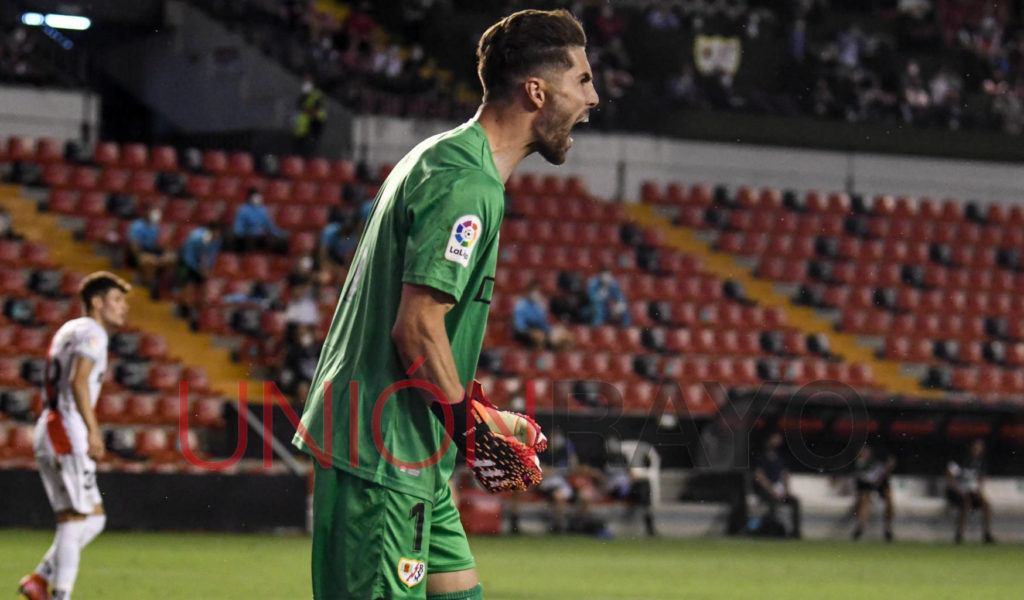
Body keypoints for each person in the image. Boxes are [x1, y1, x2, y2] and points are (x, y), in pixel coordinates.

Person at [293, 9, 597, 599]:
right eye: (582, 80)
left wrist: (476, 415)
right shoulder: (466, 184)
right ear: (536, 91)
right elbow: (416, 327)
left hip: (410, 446)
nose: (593, 97)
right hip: (382, 453)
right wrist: (471, 432)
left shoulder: (443, 156)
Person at [18, 272, 130, 600]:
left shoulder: (70, 329)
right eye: (116, 300)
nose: (123, 307)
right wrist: (94, 431)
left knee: (93, 519)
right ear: (96, 302)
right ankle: (60, 595)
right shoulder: (94, 332)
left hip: (55, 425)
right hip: (66, 430)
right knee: (73, 519)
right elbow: (78, 381)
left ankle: (39, 579)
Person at [751, 432, 801, 538]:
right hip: (766, 491)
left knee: (794, 502)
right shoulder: (761, 457)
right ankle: (772, 531)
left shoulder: (781, 457)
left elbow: (785, 475)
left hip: (779, 490)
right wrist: (772, 491)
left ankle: (795, 532)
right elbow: (760, 476)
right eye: (774, 438)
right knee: (772, 502)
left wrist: (786, 490)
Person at [946, 439, 996, 544]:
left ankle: (987, 534)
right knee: (966, 503)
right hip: (956, 491)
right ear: (970, 447)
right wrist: (959, 490)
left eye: (980, 448)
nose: (978, 450)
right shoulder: (960, 459)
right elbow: (950, 478)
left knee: (986, 505)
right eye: (976, 447)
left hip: (971, 491)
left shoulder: (981, 463)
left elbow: (980, 481)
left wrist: (979, 492)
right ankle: (959, 534)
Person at [176, 224, 223, 330]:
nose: (216, 237)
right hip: (186, 262)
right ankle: (184, 309)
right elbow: (188, 257)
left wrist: (208, 269)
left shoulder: (217, 241)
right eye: (214, 235)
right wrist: (199, 269)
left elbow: (212, 255)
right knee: (188, 286)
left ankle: (199, 315)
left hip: (200, 264)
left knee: (203, 288)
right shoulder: (195, 238)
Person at [126, 207, 176, 299]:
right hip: (137, 254)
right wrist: (144, 256)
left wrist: (165, 253)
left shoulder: (155, 226)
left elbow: (157, 245)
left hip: (152, 251)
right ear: (146, 213)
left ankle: (165, 289)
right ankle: (148, 290)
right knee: (150, 262)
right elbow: (135, 248)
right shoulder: (136, 226)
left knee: (170, 260)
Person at [851, 444, 896, 541]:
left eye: (865, 452)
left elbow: (891, 461)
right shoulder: (859, 466)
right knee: (864, 500)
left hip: (881, 480)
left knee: (889, 499)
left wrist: (881, 478)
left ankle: (888, 528)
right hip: (868, 484)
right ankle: (860, 527)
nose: (863, 455)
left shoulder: (880, 457)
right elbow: (862, 488)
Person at [512, 280, 573, 349]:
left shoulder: (538, 307)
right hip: (525, 334)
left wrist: (555, 330)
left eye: (539, 292)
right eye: (535, 291)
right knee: (540, 336)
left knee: (565, 336)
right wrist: (533, 333)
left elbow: (544, 325)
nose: (537, 294)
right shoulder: (521, 306)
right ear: (529, 292)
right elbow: (520, 328)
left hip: (541, 332)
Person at [233, 188, 288, 254]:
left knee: (278, 241)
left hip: (260, 236)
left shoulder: (263, 211)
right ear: (250, 198)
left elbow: (270, 226)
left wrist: (280, 234)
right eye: (255, 197)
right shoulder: (243, 210)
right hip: (247, 236)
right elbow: (239, 227)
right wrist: (240, 235)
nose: (258, 199)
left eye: (259, 197)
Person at [294, 74, 327, 156]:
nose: (305, 83)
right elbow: (298, 106)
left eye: (308, 81)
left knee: (310, 149)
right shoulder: (302, 96)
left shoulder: (317, 95)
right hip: (301, 129)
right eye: (304, 81)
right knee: (298, 149)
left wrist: (306, 110)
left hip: (313, 125)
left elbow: (317, 110)